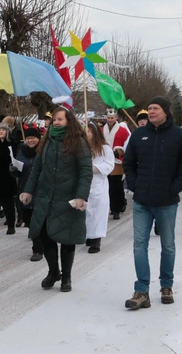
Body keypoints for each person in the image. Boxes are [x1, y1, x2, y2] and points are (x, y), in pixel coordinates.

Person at [123, 96, 182, 309]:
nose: (151, 112)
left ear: (165, 111)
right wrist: (136, 185)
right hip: (142, 201)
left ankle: (166, 286)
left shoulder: (179, 136)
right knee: (139, 246)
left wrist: (173, 188)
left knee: (168, 246)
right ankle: (141, 290)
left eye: (155, 108)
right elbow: (129, 163)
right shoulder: (138, 135)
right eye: (149, 108)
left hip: (166, 202)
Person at [20, 107, 92, 292]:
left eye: (60, 119)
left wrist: (81, 196)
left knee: (67, 238)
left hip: (68, 198)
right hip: (45, 198)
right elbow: (37, 169)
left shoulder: (78, 142)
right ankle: (53, 272)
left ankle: (66, 277)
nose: (56, 122)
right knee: (45, 236)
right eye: (54, 120)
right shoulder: (46, 142)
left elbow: (85, 171)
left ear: (69, 121)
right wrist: (28, 191)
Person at [11, 126, 42, 261]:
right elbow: (17, 170)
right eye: (28, 138)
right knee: (28, 220)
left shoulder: (43, 151)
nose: (30, 141)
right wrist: (13, 170)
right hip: (25, 189)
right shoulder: (21, 151)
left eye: (33, 138)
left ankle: (38, 249)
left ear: (38, 139)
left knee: (38, 221)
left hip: (40, 190)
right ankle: (40, 242)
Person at [84, 122, 114, 254]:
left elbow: (109, 165)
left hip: (98, 183)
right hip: (83, 183)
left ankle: (96, 239)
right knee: (85, 211)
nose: (86, 133)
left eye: (89, 131)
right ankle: (88, 235)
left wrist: (94, 168)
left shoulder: (105, 149)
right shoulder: (81, 148)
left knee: (97, 211)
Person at [102, 108, 130, 219]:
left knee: (117, 186)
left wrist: (119, 152)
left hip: (117, 162)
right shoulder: (101, 130)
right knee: (108, 186)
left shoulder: (123, 131)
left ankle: (118, 207)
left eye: (112, 118)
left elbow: (128, 144)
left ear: (116, 118)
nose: (110, 120)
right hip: (105, 161)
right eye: (108, 118)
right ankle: (113, 207)